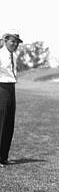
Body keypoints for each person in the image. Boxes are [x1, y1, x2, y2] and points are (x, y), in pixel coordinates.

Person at [0, 32, 22, 166]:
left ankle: (3, 157)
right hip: (1, 88)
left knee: (9, 122)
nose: (15, 44)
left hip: (11, 88)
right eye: (13, 41)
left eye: (17, 42)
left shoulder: (14, 55)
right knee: (0, 122)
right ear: (6, 40)